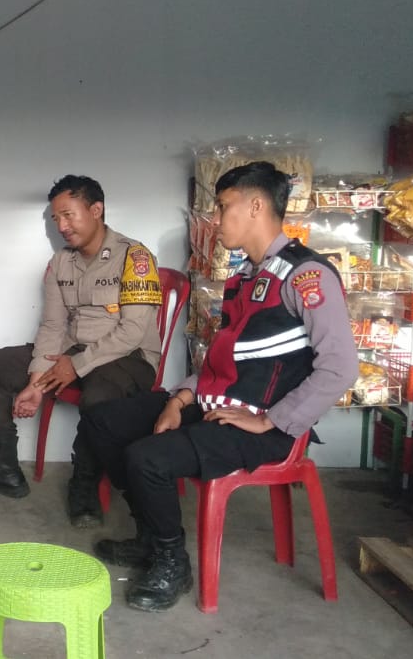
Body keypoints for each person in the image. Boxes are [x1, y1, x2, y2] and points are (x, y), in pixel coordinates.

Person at [81, 162, 355, 612]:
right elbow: (221, 362)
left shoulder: (306, 276)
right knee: (103, 421)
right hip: (217, 406)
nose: (215, 218)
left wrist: (269, 420)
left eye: (223, 207)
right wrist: (180, 398)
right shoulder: (246, 277)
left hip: (264, 426)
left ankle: (172, 561)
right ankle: (150, 536)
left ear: (256, 206)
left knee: (147, 457)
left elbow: (340, 368)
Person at [0, 175, 163, 530]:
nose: (61, 226)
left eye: (68, 215)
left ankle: (84, 485)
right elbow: (53, 327)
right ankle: (6, 469)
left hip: (128, 358)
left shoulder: (135, 257)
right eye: (55, 218)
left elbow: (132, 332)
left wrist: (76, 365)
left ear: (96, 210)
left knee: (100, 397)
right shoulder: (61, 263)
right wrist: (36, 381)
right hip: (71, 349)